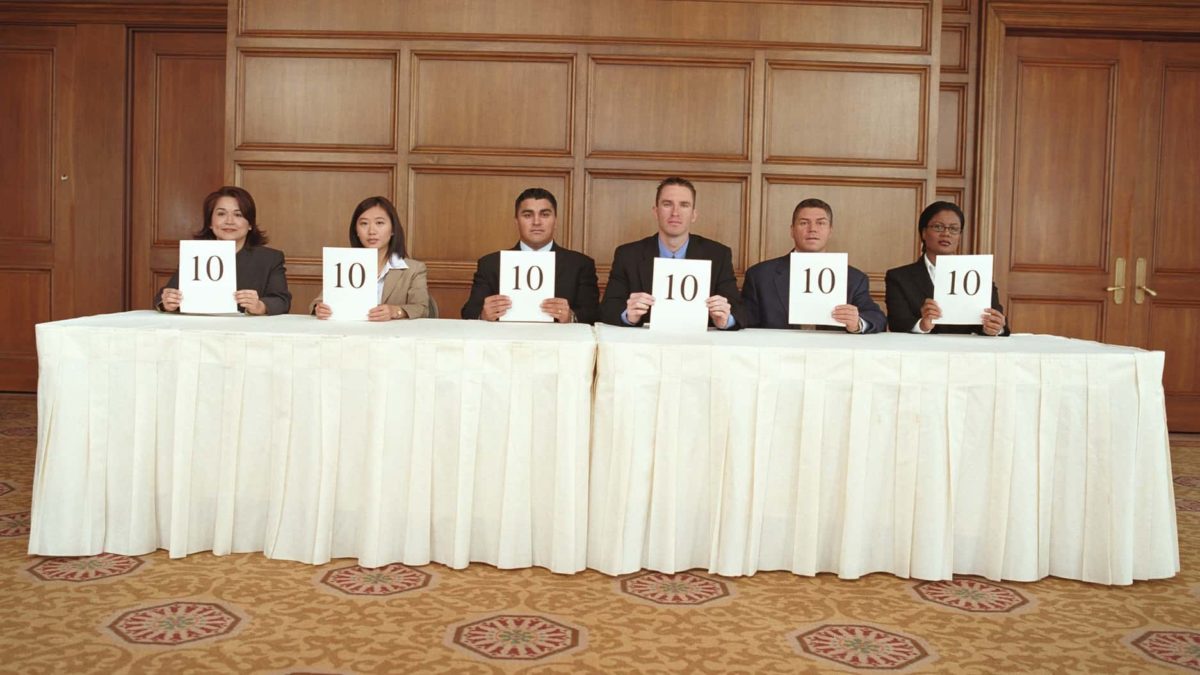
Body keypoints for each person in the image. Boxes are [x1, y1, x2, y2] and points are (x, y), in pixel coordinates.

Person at [600, 176, 743, 329]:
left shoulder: (718, 255)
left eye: (684, 205)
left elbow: (739, 310)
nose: (675, 212)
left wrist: (725, 320)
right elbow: (607, 309)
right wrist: (628, 316)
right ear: (655, 211)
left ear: (694, 214)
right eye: (667, 204)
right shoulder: (628, 255)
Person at [741, 198, 885, 333]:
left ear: (830, 231)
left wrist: (857, 323)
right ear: (792, 230)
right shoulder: (760, 275)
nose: (812, 229)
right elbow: (745, 323)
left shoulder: (854, 278)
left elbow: (877, 319)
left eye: (821, 223)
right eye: (804, 223)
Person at [461, 187, 599, 324]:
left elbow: (594, 313)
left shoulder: (580, 265)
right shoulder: (490, 264)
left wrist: (571, 316)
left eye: (545, 214)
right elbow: (469, 311)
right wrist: (483, 315)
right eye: (528, 215)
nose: (536, 222)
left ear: (555, 220)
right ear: (516, 221)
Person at [155, 185, 291, 315]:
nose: (229, 221)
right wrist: (168, 303)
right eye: (221, 214)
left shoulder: (270, 258)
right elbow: (162, 297)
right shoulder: (195, 253)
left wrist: (260, 306)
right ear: (210, 222)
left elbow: (281, 301)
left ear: (250, 224)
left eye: (238, 215)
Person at [884, 201, 1009, 336]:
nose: (946, 234)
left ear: (959, 236)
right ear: (924, 233)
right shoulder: (899, 277)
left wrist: (996, 327)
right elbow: (897, 323)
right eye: (938, 227)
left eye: (954, 229)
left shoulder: (977, 273)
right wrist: (922, 325)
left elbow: (999, 322)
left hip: (968, 351)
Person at [312, 196, 429, 320]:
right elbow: (318, 302)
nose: (371, 231)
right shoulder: (344, 264)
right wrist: (319, 309)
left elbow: (422, 308)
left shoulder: (414, 269)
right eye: (364, 224)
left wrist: (395, 311)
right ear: (356, 231)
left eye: (379, 223)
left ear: (393, 229)